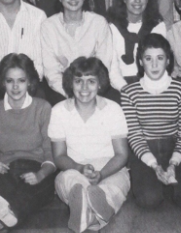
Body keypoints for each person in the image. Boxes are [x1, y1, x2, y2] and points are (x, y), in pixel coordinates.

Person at [0, 54, 56, 232]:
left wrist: (41, 174)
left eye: (21, 80)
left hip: (37, 168)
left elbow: (50, 150)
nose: (15, 86)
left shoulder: (43, 107)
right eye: (9, 81)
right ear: (2, 83)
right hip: (6, 168)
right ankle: (1, 218)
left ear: (30, 82)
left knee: (36, 189)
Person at [48, 57, 130, 233]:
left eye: (91, 81)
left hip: (110, 169)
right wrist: (79, 168)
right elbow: (59, 156)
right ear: (71, 83)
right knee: (66, 180)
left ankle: (96, 205)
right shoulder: (59, 111)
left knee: (115, 186)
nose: (84, 88)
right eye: (78, 81)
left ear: (100, 84)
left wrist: (102, 174)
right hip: (75, 168)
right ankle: (91, 212)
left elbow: (122, 155)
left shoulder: (113, 109)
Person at [121, 34, 181, 209]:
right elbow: (134, 135)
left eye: (160, 58)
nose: (154, 65)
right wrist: (154, 166)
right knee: (149, 201)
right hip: (144, 150)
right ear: (141, 61)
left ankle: (172, 180)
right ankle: (156, 181)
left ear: (168, 60)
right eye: (148, 59)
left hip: (174, 147)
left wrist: (173, 163)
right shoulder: (129, 92)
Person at [41, 0, 114, 104]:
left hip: (94, 87)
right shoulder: (48, 26)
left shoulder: (98, 22)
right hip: (61, 90)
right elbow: (51, 71)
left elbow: (104, 64)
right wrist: (71, 94)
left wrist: (90, 91)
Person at [108, 0, 166, 91]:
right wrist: (127, 90)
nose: (137, 1)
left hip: (149, 83)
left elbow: (160, 65)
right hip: (118, 85)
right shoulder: (111, 26)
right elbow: (112, 70)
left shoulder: (158, 26)